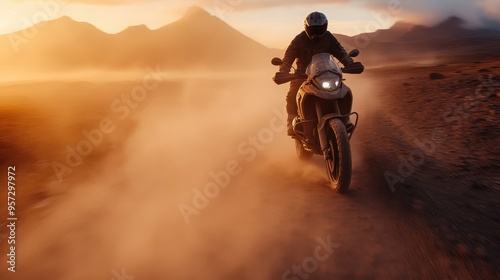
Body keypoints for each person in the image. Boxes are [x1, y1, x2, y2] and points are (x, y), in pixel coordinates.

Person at [280, 12, 354, 136]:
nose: (315, 33)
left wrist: (350, 63)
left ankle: (345, 119)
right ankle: (290, 123)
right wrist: (283, 71)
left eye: (319, 29)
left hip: (326, 73)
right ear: (306, 28)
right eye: (313, 29)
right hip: (303, 75)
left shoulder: (329, 37)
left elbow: (340, 51)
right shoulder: (299, 39)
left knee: (344, 90)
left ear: (325, 27)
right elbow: (289, 55)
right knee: (292, 94)